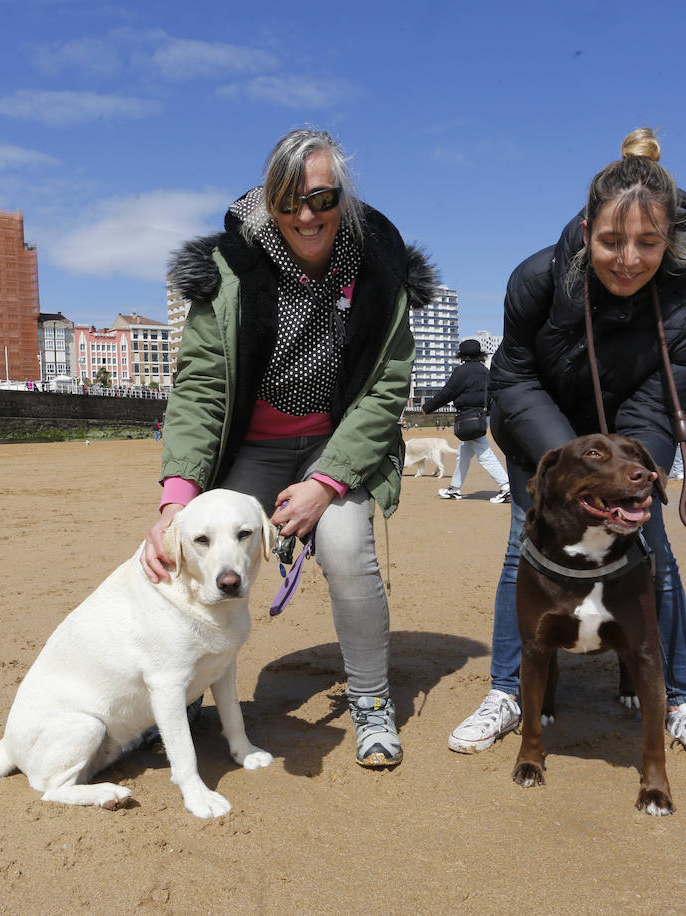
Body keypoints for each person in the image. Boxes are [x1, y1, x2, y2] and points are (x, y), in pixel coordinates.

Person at [448, 128, 686, 776]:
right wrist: (569, 472)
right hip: (541, 434)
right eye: (612, 241)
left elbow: (663, 403)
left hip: (630, 436)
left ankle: (681, 702)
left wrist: (626, 474)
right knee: (524, 544)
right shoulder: (536, 278)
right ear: (587, 229)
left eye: (647, 243)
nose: (629, 259)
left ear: (668, 240)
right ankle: (506, 692)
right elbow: (514, 376)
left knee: (654, 549)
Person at [140, 128, 435, 769]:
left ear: (342, 198)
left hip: (337, 446)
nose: (307, 215)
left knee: (347, 551)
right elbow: (199, 388)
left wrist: (327, 484)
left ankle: (372, 700)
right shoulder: (231, 269)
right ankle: (185, 694)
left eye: (323, 199)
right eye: (289, 199)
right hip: (252, 446)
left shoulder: (379, 269)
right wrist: (177, 499)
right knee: (190, 545)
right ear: (269, 200)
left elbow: (387, 388)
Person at [420, 338, 511, 503]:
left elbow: (447, 393)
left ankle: (506, 486)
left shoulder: (462, 371)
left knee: (484, 453)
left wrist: (427, 408)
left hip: (468, 417)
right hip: (481, 417)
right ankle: (455, 488)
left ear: (462, 355)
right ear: (479, 354)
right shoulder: (485, 371)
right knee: (463, 453)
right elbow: (493, 395)